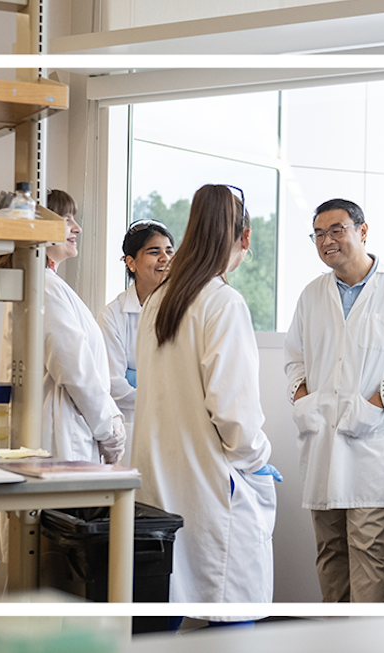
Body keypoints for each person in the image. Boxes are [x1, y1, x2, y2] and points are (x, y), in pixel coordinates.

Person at [133, 184, 279, 623]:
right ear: (245, 238)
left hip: (161, 480)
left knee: (166, 599)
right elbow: (235, 417)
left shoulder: (159, 299)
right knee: (231, 608)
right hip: (211, 485)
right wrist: (258, 460)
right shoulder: (222, 302)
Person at [284, 198, 384, 603]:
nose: (326, 240)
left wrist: (376, 402)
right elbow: (293, 360)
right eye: (318, 234)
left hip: (372, 446)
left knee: (369, 553)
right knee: (329, 552)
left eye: (337, 230)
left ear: (362, 231)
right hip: (321, 443)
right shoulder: (312, 294)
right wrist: (303, 400)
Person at [37, 190, 128, 463]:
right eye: (66, 219)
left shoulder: (51, 284)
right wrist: (108, 428)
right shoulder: (44, 286)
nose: (77, 228)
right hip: (65, 438)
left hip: (76, 431)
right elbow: (75, 370)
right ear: (42, 227)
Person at [102, 219, 173, 425]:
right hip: (134, 422)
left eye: (169, 251)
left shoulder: (186, 309)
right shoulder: (113, 316)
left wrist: (136, 378)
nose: (165, 258)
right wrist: (165, 396)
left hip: (178, 424)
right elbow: (115, 385)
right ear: (131, 262)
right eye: (154, 252)